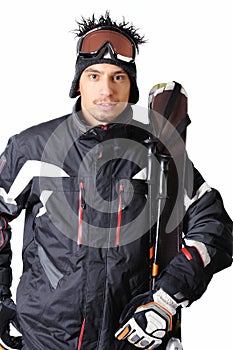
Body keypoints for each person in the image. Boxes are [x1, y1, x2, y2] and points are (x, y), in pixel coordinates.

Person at [0, 11, 232, 350]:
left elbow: (215, 227)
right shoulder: (33, 147)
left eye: (118, 77)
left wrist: (168, 298)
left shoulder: (158, 154)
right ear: (77, 82)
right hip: (45, 338)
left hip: (131, 335)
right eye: (94, 76)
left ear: (131, 86)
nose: (106, 90)